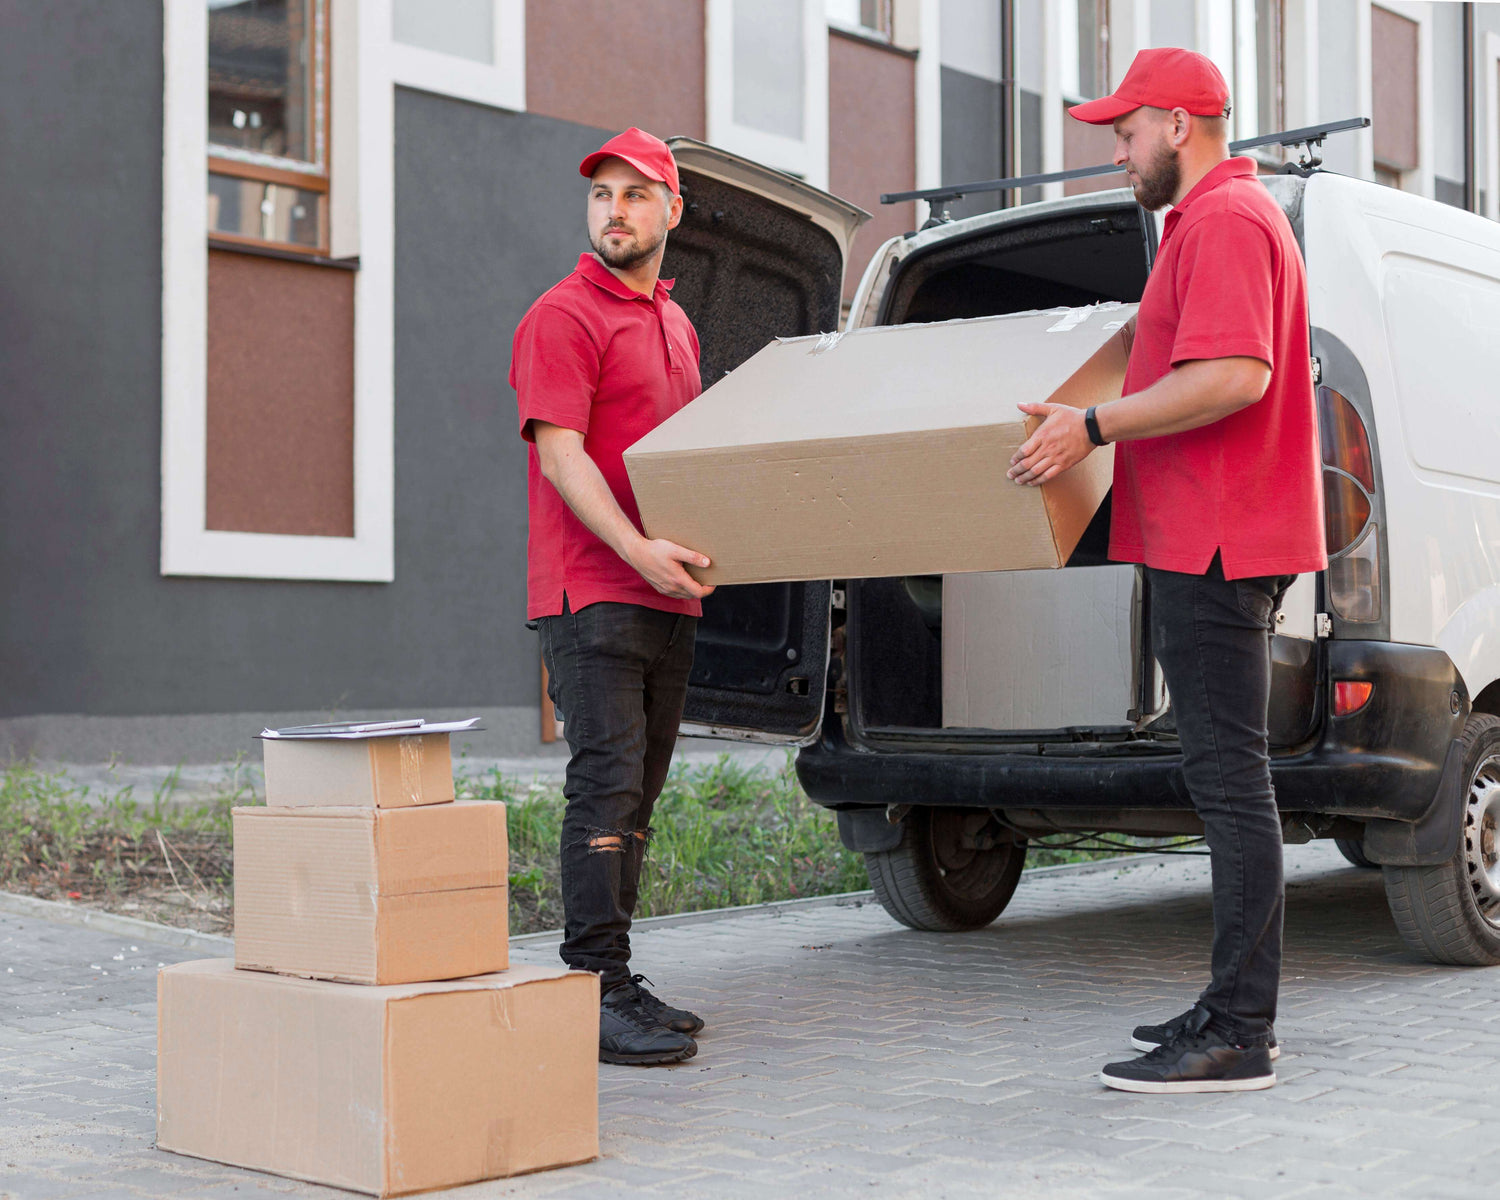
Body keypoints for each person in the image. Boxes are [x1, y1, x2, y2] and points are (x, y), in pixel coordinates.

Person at [1008, 47, 1327, 1093]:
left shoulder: (1229, 221)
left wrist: (1089, 426)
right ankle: (1229, 1005)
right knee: (1223, 779)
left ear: (1179, 125)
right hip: (1206, 534)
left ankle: (1240, 1029)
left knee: (1232, 786)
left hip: (1219, 539)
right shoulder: (1212, 221)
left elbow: (1237, 375)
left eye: (1126, 129)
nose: (1116, 148)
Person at [510, 128, 715, 1067]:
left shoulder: (676, 323)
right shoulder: (563, 315)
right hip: (592, 592)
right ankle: (592, 987)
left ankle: (617, 977)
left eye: (636, 196)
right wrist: (635, 548)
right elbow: (562, 456)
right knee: (603, 787)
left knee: (638, 797)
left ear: (673, 212)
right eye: (603, 196)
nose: (616, 212)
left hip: (668, 594)